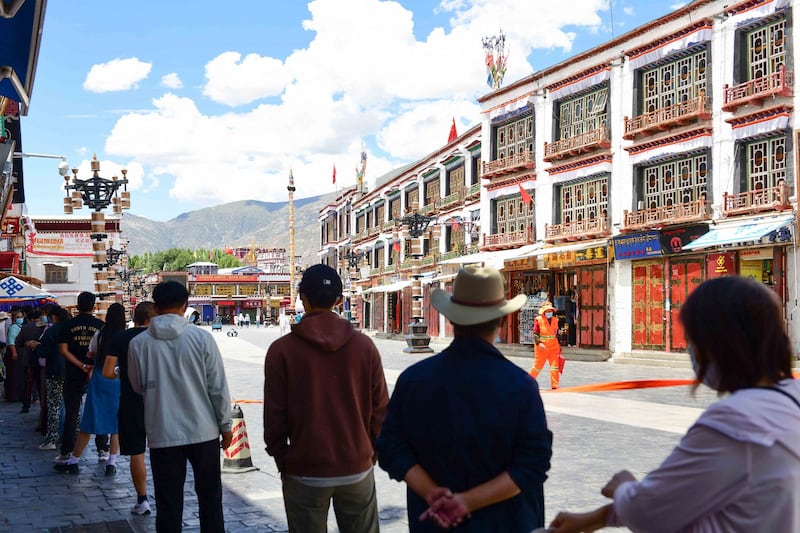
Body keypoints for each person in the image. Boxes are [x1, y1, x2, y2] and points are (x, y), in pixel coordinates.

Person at [549, 276, 800, 533]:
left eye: (692, 339)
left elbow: (650, 511)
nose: (691, 349)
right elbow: (693, 495)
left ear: (716, 343)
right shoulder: (791, 397)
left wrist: (624, 487)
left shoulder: (735, 420)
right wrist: (598, 517)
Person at [377, 266, 553, 531]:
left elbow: (391, 448)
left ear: (451, 319)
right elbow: (531, 466)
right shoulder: (520, 387)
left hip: (433, 523)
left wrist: (431, 493)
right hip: (505, 523)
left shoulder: (414, 381)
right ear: (502, 321)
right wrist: (465, 502)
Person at [264, 264, 389, 533]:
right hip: (356, 467)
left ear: (301, 297)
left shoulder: (281, 351)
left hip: (304, 469)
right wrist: (371, 452)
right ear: (339, 301)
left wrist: (282, 458)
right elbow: (381, 409)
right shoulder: (364, 347)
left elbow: (273, 416)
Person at [129, 281, 232, 532]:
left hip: (163, 432)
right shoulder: (202, 339)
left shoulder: (139, 344)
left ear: (154, 307)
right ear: (186, 306)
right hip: (203, 431)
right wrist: (226, 425)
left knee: (168, 503)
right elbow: (217, 387)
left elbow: (137, 386)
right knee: (210, 498)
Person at [55, 303, 126, 475]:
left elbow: (90, 354)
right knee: (116, 425)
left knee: (88, 420)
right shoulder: (125, 336)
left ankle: (74, 460)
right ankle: (111, 463)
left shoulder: (100, 334)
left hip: (99, 378)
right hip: (117, 381)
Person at [102, 301, 157, 516]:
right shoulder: (161, 337)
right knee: (164, 451)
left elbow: (107, 372)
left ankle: (142, 499)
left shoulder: (121, 338)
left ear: (134, 318)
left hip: (131, 400)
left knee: (137, 452)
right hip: (160, 401)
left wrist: (121, 371)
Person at [56, 292, 105, 464]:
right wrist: (90, 366)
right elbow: (104, 352)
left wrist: (80, 365)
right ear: (94, 307)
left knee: (72, 413)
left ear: (77, 306)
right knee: (98, 410)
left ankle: (66, 451)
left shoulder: (68, 325)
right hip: (95, 373)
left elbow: (63, 351)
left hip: (73, 373)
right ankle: (102, 449)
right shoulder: (101, 326)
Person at [38, 305, 70, 450]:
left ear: (54, 317)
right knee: (72, 406)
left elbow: (42, 352)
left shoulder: (51, 331)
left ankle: (52, 438)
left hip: (54, 372)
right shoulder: (71, 330)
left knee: (54, 406)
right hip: (71, 372)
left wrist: (35, 347)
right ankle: (71, 436)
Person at [529, 301, 563, 390]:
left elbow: (556, 334)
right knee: (537, 366)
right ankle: (527, 382)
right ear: (543, 312)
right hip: (542, 347)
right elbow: (536, 333)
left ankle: (555, 385)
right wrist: (539, 343)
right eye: (547, 311)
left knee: (554, 367)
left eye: (550, 311)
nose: (549, 313)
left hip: (553, 347)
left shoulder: (555, 320)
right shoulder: (538, 320)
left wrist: (559, 347)